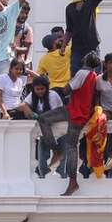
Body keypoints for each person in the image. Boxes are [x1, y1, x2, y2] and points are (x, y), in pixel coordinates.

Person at [38, 52, 102, 196]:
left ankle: (57, 153)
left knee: (43, 120)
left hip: (74, 112)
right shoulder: (93, 75)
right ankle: (71, 178)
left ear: (86, 60)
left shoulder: (82, 73)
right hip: (82, 112)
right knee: (72, 146)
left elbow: (67, 89)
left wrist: (63, 85)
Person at [62, 0, 110, 74]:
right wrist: (64, 46)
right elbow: (69, 30)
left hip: (92, 45)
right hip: (77, 47)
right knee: (75, 73)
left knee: (94, 74)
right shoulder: (69, 7)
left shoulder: (90, 1)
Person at [17, 76, 66, 178]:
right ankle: (44, 179)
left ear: (47, 88)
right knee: (42, 163)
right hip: (44, 131)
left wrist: (38, 116)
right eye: (37, 89)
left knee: (61, 166)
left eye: (42, 89)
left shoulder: (53, 96)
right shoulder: (33, 96)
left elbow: (51, 115)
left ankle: (56, 152)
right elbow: (21, 106)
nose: (40, 91)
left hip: (58, 129)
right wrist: (29, 111)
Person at [37, 34, 71, 100]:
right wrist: (64, 39)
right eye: (58, 40)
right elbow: (74, 41)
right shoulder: (65, 51)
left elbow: (40, 75)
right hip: (67, 87)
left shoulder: (43, 59)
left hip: (53, 89)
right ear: (54, 43)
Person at [12, 2, 34, 69]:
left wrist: (14, 49)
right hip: (6, 63)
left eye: (26, 13)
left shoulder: (27, 29)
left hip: (20, 65)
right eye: (21, 13)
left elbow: (27, 49)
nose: (24, 15)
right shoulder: (9, 26)